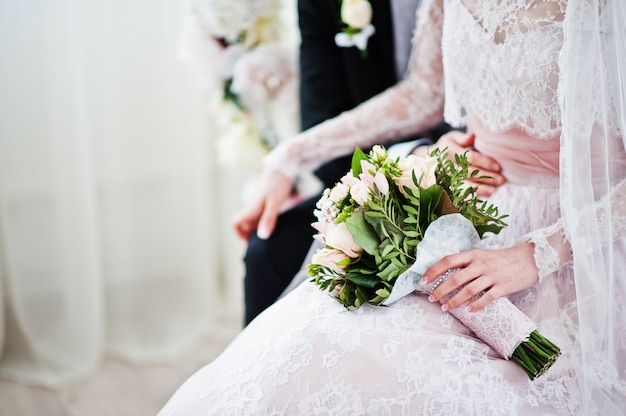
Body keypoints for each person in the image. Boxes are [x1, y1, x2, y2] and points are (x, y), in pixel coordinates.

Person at [159, 0, 626, 414]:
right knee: (316, 338)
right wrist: (291, 155)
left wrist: (535, 255)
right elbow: (422, 94)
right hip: (471, 217)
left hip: (583, 239)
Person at [240, 0, 502, 324]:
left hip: (489, 172)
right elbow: (418, 96)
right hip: (390, 170)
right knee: (268, 252)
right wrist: (418, 159)